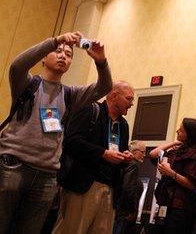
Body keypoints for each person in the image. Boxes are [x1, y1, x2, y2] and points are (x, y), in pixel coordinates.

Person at [0, 32, 112, 233]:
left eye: (68, 54)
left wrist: (101, 61)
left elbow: (104, 87)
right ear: (44, 57)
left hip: (47, 176)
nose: (63, 56)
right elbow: (17, 65)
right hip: (13, 166)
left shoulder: (70, 94)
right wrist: (55, 40)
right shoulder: (28, 83)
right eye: (58, 51)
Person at [52, 81, 135, 234]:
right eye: (129, 99)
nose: (131, 104)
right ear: (114, 96)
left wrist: (125, 157)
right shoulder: (90, 110)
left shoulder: (123, 125)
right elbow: (71, 142)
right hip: (84, 186)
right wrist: (103, 153)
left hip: (110, 190)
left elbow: (119, 153)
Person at [149, 118, 196, 234]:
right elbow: (152, 155)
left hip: (181, 208)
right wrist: (174, 142)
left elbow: (192, 185)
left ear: (190, 134)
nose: (177, 131)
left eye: (181, 131)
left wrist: (170, 173)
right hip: (165, 203)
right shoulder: (178, 150)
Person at [113, 140, 146, 234]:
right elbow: (128, 188)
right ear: (134, 151)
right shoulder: (133, 164)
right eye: (142, 152)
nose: (144, 155)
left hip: (119, 208)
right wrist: (131, 210)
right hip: (124, 211)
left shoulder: (125, 163)